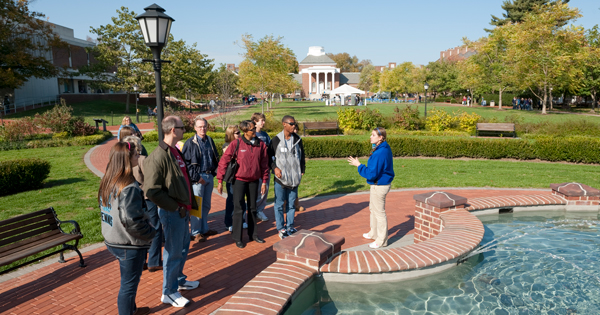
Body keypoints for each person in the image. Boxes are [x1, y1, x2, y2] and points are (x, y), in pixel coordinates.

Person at [143, 116, 199, 308]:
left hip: (183, 211)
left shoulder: (175, 151)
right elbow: (151, 191)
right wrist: (174, 207)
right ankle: (169, 292)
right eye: (183, 128)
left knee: (183, 248)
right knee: (173, 252)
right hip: (172, 212)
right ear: (173, 130)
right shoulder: (157, 157)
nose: (186, 130)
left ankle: (179, 280)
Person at [99, 141, 155, 315]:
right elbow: (131, 221)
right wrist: (151, 233)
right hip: (127, 245)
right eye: (136, 154)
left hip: (112, 239)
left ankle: (132, 309)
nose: (139, 156)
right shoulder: (129, 187)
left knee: (128, 283)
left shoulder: (108, 180)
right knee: (128, 286)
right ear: (127, 159)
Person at [217, 120, 269, 248]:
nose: (255, 131)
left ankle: (253, 235)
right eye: (252, 129)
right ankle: (237, 237)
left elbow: (264, 165)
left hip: (254, 181)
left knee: (252, 208)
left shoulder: (260, 144)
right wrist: (220, 180)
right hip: (239, 181)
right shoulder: (236, 143)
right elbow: (224, 161)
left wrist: (264, 181)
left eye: (254, 128)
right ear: (245, 131)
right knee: (239, 209)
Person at [347, 127, 395, 249]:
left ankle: (381, 240)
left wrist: (359, 165)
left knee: (379, 213)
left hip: (380, 185)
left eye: (373, 135)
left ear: (381, 138)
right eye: (371, 134)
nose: (370, 137)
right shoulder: (382, 148)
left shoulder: (380, 152)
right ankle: (374, 233)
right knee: (373, 209)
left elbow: (371, 173)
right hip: (376, 184)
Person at [124, 135, 162, 273]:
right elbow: (150, 180)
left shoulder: (124, 161)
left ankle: (141, 261)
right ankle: (154, 261)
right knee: (155, 227)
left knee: (139, 229)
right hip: (146, 198)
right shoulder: (142, 159)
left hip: (131, 200)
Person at [182, 117, 219, 243]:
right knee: (196, 207)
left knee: (206, 205)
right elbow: (186, 164)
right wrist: (197, 177)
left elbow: (215, 157)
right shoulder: (190, 143)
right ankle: (196, 232)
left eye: (204, 126)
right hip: (197, 179)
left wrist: (214, 172)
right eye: (200, 127)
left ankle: (204, 229)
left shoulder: (209, 140)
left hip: (209, 176)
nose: (202, 129)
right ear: (195, 128)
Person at [268, 115, 306, 239]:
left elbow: (302, 157)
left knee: (291, 204)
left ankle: (290, 226)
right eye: (291, 123)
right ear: (284, 124)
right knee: (279, 204)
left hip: (294, 179)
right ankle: (281, 228)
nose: (293, 126)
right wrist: (275, 168)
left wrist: (302, 170)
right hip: (281, 179)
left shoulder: (297, 139)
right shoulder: (276, 140)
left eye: (294, 123)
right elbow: (268, 158)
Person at [222, 125, 248, 232]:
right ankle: (229, 222)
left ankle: (242, 219)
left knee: (242, 198)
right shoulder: (227, 146)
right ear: (231, 135)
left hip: (242, 175)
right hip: (232, 176)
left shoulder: (242, 143)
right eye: (237, 133)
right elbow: (232, 158)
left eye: (239, 132)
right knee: (232, 199)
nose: (239, 134)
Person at [251, 113, 271, 222]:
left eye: (264, 120)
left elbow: (270, 148)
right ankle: (253, 210)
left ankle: (260, 210)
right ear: (255, 121)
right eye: (261, 120)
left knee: (265, 189)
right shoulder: (252, 135)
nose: (263, 123)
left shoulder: (265, 135)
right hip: (255, 169)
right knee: (256, 190)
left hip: (265, 167)